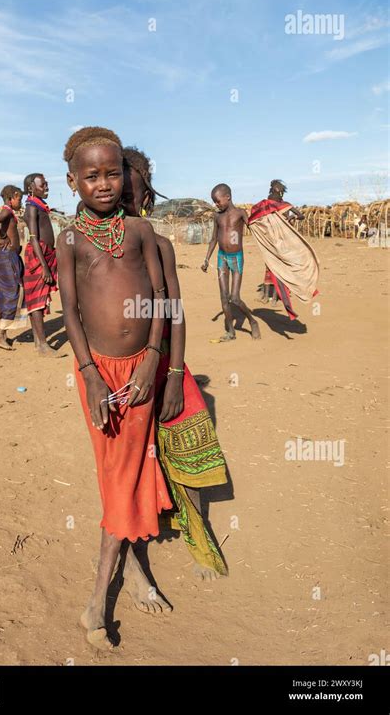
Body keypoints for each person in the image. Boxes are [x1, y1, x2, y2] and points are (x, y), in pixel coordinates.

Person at [57, 127, 173, 650]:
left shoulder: (140, 230)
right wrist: (88, 375)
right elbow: (70, 312)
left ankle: (98, 602)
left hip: (140, 370)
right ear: (72, 181)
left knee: (129, 471)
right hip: (100, 375)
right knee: (116, 475)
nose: (104, 184)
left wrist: (153, 359)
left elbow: (163, 297)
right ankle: (112, 591)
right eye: (91, 176)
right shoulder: (70, 239)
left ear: (124, 176)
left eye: (112, 173)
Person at [123, 146, 228, 582]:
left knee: (187, 437)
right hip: (119, 371)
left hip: (165, 362)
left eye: (134, 190)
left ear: (147, 194)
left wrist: (174, 375)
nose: (125, 200)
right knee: (128, 464)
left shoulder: (160, 245)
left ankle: (197, 531)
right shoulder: (88, 246)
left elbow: (175, 315)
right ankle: (130, 556)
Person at [249, 180, 318, 320]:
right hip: (275, 243)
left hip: (278, 243)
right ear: (275, 190)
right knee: (274, 267)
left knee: (276, 267)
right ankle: (271, 297)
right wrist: (290, 218)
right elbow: (301, 215)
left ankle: (272, 297)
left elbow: (300, 216)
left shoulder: (274, 205)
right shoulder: (272, 205)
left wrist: (289, 218)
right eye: (280, 191)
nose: (281, 194)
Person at [201, 183, 261, 340]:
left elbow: (254, 228)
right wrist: (206, 259)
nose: (216, 204)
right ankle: (231, 332)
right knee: (223, 297)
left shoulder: (240, 213)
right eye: (214, 202)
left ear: (228, 197)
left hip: (236, 258)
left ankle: (252, 321)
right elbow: (214, 239)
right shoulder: (217, 216)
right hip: (222, 258)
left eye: (218, 201)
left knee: (234, 298)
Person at [23, 173, 58, 355]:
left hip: (46, 254)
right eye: (42, 185)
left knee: (40, 298)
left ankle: (38, 341)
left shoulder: (38, 206)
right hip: (39, 256)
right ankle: (43, 345)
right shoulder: (31, 208)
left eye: (46, 184)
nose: (46, 187)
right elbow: (34, 238)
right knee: (37, 299)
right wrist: (44, 266)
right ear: (31, 188)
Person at [0, 185, 27, 349]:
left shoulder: (9, 213)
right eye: (20, 199)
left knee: (13, 292)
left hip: (10, 256)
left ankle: (3, 333)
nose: (21, 202)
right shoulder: (6, 211)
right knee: (12, 293)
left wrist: (2, 236)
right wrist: (4, 236)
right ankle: (0, 334)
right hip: (7, 257)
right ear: (14, 196)